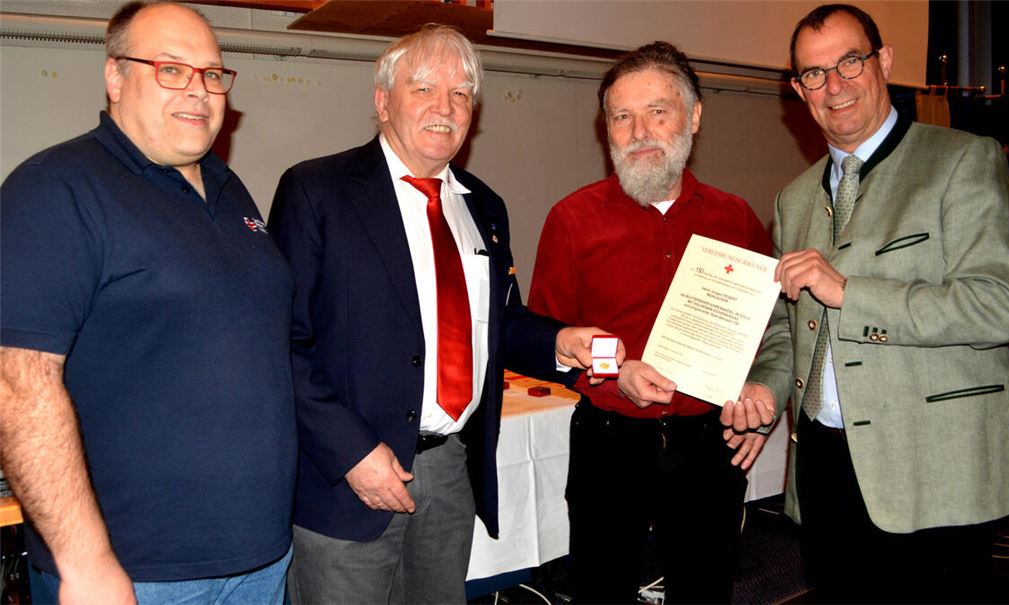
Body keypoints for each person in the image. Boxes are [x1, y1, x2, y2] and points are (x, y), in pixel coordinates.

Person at [269, 24, 620, 604]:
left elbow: (499, 323)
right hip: (348, 478)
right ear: (383, 101)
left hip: (450, 470)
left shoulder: (484, 206)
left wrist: (562, 341)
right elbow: (282, 340)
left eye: (461, 94)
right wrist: (352, 452)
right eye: (425, 89)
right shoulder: (317, 192)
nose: (445, 108)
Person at [0, 2, 297, 605]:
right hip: (138, 573)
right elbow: (19, 388)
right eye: (171, 69)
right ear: (115, 76)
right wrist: (85, 566)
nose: (199, 90)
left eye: (212, 74)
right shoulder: (56, 188)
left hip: (260, 556)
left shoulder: (226, 186)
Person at [741, 4, 1009, 602]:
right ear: (799, 89)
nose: (834, 86)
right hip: (826, 465)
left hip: (934, 466)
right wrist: (765, 386)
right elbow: (785, 330)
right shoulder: (793, 199)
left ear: (884, 61)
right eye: (814, 74)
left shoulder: (962, 160)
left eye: (849, 61)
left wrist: (851, 293)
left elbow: (1000, 304)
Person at [528, 41, 775, 604]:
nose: (639, 130)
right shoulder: (572, 220)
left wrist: (759, 401)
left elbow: (767, 332)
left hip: (709, 443)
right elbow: (545, 337)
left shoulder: (733, 217)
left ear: (692, 117)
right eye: (622, 116)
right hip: (609, 443)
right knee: (601, 588)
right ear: (606, 129)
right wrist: (616, 372)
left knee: (706, 589)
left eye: (657, 112)